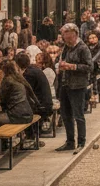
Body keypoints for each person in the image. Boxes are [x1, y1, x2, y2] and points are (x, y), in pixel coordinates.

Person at [55, 23, 92, 152]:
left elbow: (89, 67)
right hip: (65, 84)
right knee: (65, 114)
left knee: (78, 115)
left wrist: (72, 66)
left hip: (78, 86)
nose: (67, 40)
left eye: (69, 38)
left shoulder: (83, 48)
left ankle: (81, 142)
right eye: (65, 38)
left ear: (75, 35)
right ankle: (70, 141)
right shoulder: (66, 47)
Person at [0, 59, 36, 130]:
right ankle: (3, 140)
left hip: (17, 116)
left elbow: (2, 99)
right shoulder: (18, 78)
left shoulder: (7, 80)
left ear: (3, 70)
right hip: (28, 114)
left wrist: (0, 81)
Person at [18, 52, 54, 123]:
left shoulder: (28, 74)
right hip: (46, 105)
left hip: (41, 108)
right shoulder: (34, 69)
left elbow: (25, 92)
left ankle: (29, 133)